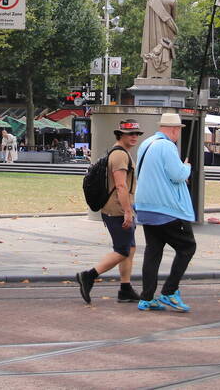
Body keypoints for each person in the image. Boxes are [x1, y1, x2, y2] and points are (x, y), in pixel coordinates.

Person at [76, 119, 144, 305]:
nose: (134, 137)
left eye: (137, 134)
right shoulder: (120, 156)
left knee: (129, 248)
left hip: (119, 208)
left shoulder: (120, 153)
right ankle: (88, 276)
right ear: (119, 134)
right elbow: (121, 186)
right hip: (118, 210)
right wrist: (128, 212)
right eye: (130, 133)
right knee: (122, 250)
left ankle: (125, 288)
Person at [134, 112, 196, 313]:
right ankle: (170, 291)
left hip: (145, 208)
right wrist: (186, 167)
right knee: (187, 247)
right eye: (178, 130)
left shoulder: (146, 144)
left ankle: (147, 297)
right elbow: (177, 175)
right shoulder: (168, 146)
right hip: (166, 209)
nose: (178, 134)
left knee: (153, 252)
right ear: (174, 130)